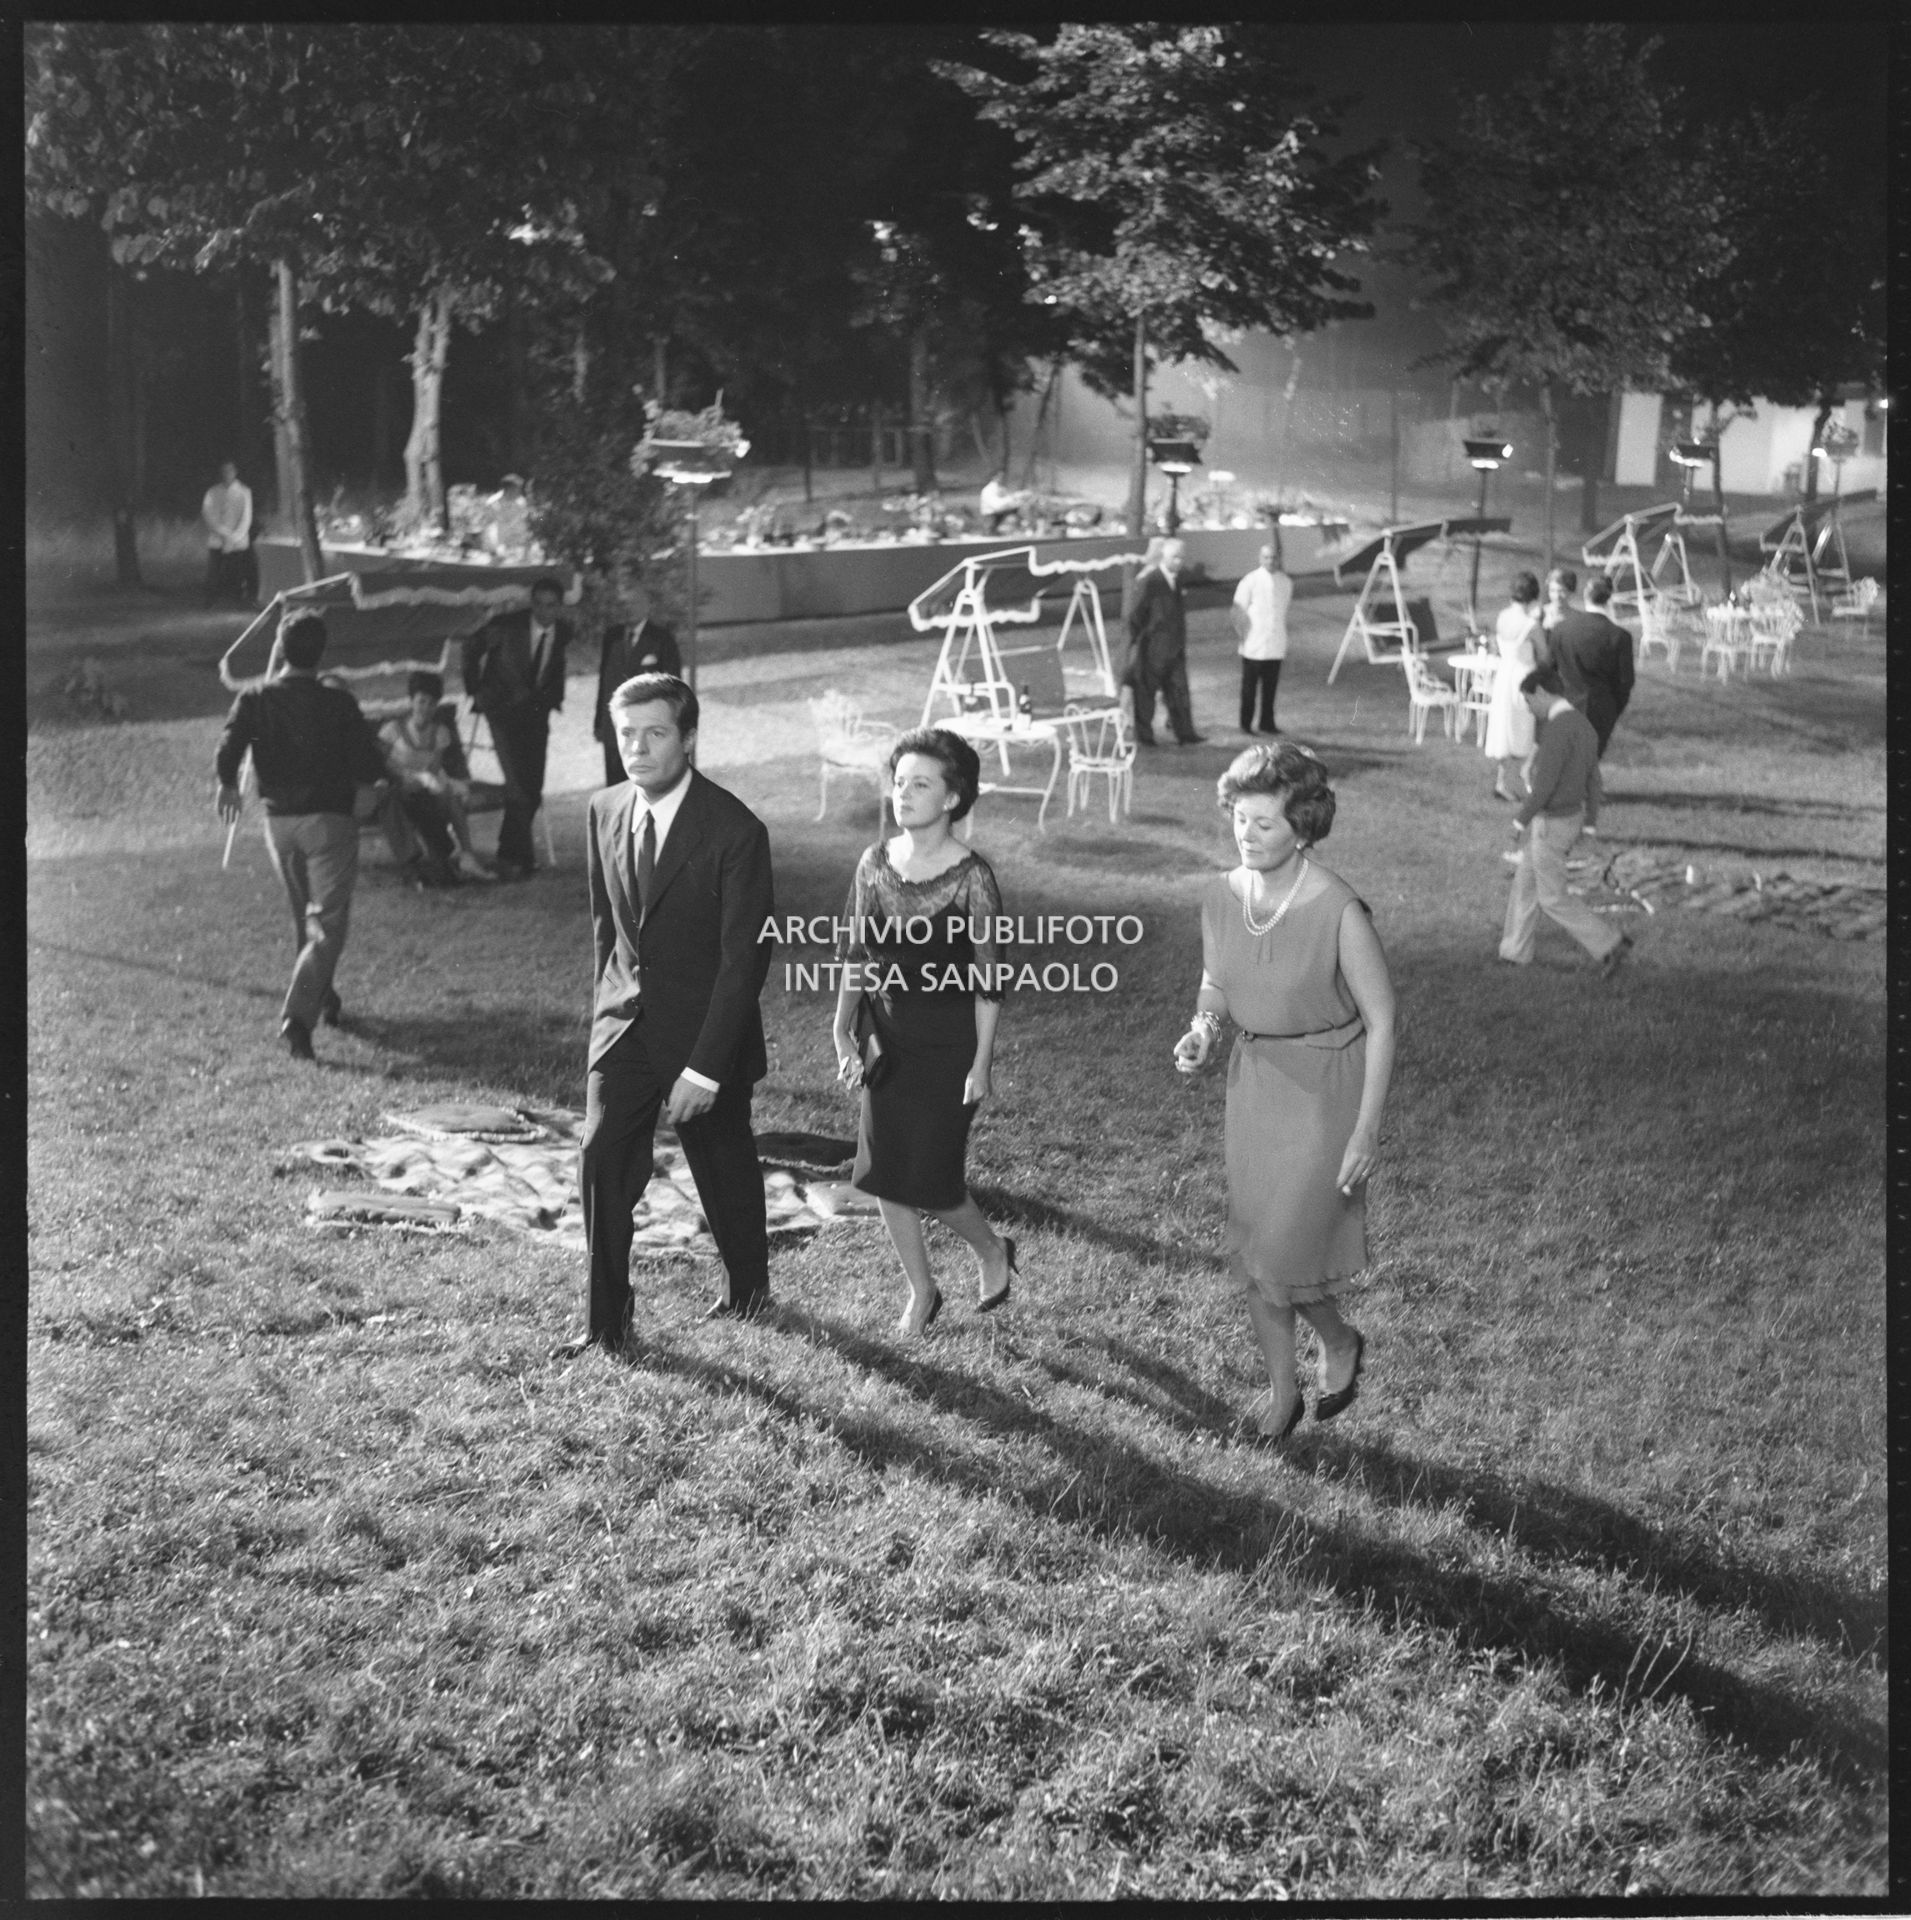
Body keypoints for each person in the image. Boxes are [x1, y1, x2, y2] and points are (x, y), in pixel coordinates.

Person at [1173, 743, 1395, 1440]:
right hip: (1255, 1084)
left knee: (1279, 1254)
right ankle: (1283, 1392)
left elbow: (1383, 1020)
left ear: (1301, 827)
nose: (1246, 833)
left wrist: (1365, 1131)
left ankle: (1334, 1344)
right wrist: (1204, 1029)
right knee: (1257, 1254)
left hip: (1326, 1088)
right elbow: (1216, 980)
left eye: (1264, 823)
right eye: (1239, 818)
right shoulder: (1219, 894)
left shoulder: (1336, 909)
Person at [570, 672, 778, 1356]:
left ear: (688, 738)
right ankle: (606, 1326)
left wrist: (707, 1069)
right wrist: (603, 1024)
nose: (637, 747)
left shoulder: (735, 830)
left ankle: (748, 1289)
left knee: (723, 1167)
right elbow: (608, 933)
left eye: (655, 732)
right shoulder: (603, 810)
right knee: (601, 1162)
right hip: (625, 1025)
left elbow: (742, 962)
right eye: (625, 733)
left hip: (703, 1036)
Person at [832, 728, 1016, 1335]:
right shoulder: (873, 863)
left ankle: (991, 1250)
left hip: (948, 1043)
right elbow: (857, 954)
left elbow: (990, 982)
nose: (903, 793)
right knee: (884, 1171)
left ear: (953, 797)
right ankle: (922, 1289)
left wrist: (982, 1062)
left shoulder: (973, 877)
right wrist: (842, 1030)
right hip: (885, 1033)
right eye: (899, 781)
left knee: (934, 1180)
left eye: (920, 784)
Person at [214, 611, 391, 1060]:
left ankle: (322, 996)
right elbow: (367, 763)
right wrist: (372, 788)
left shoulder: (254, 697)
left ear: (280, 645)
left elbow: (228, 746)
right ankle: (298, 1016)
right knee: (327, 925)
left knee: (304, 919)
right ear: (321, 651)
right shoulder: (338, 703)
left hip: (279, 823)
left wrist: (228, 785)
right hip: (328, 822)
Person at [1498, 667, 1631, 976]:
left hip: (1551, 823)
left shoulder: (1557, 730)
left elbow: (1544, 788)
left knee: (1553, 898)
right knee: (1525, 884)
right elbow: (1594, 780)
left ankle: (1610, 943)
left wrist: (1518, 824)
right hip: (1571, 818)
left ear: (1543, 692)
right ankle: (1514, 951)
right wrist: (1590, 824)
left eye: (1530, 700)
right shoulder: (1583, 726)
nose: (1530, 708)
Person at [462, 575, 571, 877]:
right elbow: (470, 647)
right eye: (538, 604)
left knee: (533, 787)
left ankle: (511, 853)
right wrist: (477, 691)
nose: (543, 612)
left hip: (536, 714)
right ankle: (516, 859)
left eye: (551, 606)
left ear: (559, 607)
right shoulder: (506, 626)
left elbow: (555, 667)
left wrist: (551, 698)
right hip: (502, 711)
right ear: (531, 602)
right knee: (518, 785)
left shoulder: (562, 632)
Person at [378, 670, 493, 886]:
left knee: (450, 795)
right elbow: (379, 767)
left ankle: (466, 856)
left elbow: (433, 769)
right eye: (421, 702)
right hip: (398, 786)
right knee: (442, 796)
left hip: (425, 787)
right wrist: (406, 778)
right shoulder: (392, 730)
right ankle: (456, 855)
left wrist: (425, 780)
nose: (426, 708)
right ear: (412, 701)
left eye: (432, 703)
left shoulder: (439, 732)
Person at [594, 574, 683, 787]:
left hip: (645, 729)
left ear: (646, 606)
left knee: (643, 786)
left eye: (634, 603)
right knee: (615, 787)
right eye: (624, 604)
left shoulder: (661, 639)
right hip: (614, 726)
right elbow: (604, 681)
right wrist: (599, 722)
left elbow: (672, 688)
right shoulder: (612, 636)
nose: (628, 608)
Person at [1125, 536, 1204, 747]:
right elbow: (1135, 615)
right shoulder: (1150, 581)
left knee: (1179, 692)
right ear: (1164, 556)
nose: (1179, 562)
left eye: (1181, 557)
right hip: (1152, 649)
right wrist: (1144, 640)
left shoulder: (1176, 581)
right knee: (1145, 694)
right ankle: (1145, 736)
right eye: (1175, 557)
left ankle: (1185, 734)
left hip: (1175, 649)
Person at [1548, 574, 1635, 757]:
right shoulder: (1619, 636)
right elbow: (1625, 681)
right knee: (1589, 759)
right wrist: (1615, 707)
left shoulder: (1561, 629)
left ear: (1586, 596)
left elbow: (1550, 669)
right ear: (1608, 598)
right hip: (1602, 706)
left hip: (1566, 701)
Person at [1483, 571, 1544, 801]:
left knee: (1504, 728)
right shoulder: (1531, 625)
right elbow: (1544, 655)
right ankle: (1528, 774)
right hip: (1523, 677)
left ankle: (1502, 782)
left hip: (1504, 676)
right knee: (1531, 728)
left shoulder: (1502, 617)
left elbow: (1499, 647)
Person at [1230, 533, 1293, 736]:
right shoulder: (1250, 580)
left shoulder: (1285, 582)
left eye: (1274, 557)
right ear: (1260, 559)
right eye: (1266, 557)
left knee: (1270, 688)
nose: (1270, 561)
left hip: (1275, 643)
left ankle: (1267, 722)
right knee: (1249, 689)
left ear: (1278, 559)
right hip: (1253, 644)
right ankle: (1245, 724)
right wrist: (1244, 636)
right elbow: (1238, 611)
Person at [201, 460, 254, 607]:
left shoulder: (244, 491)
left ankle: (238, 599)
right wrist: (224, 534)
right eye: (224, 471)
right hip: (217, 539)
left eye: (230, 471)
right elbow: (208, 515)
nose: (227, 474)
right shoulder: (212, 492)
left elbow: (246, 517)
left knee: (238, 572)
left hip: (238, 540)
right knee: (214, 570)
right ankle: (210, 599)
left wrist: (235, 537)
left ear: (235, 472)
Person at [979, 469, 1030, 533]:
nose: (1003, 478)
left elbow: (1010, 502)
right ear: (994, 477)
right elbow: (997, 506)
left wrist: (1021, 500)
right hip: (991, 519)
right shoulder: (988, 490)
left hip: (1002, 516)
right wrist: (1014, 496)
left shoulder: (1002, 489)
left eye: (1004, 476)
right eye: (1001, 476)